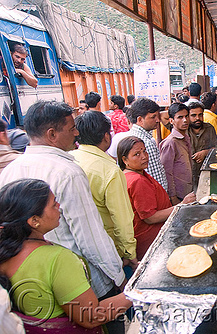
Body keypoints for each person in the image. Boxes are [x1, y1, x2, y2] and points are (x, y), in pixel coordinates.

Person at [0, 101, 126, 304]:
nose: (77, 133)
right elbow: (90, 236)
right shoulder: (67, 172)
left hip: (33, 283)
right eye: (72, 128)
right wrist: (118, 277)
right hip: (83, 282)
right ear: (52, 134)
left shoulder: (11, 170)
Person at [0, 179, 132, 332]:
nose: (59, 207)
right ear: (34, 220)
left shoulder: (6, 252)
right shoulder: (57, 259)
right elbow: (90, 317)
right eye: (53, 204)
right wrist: (134, 293)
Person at [71, 111, 138, 271]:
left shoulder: (71, 158)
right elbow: (122, 218)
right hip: (108, 247)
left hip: (78, 245)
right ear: (106, 136)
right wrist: (130, 254)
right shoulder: (109, 170)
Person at [118, 136, 195, 260]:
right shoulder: (137, 180)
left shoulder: (133, 174)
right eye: (137, 154)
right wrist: (182, 204)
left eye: (144, 151)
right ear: (125, 159)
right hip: (150, 239)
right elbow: (150, 217)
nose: (144, 156)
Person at [128, 98, 169, 192]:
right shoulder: (145, 143)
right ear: (140, 119)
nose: (158, 120)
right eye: (153, 117)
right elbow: (157, 178)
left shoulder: (131, 136)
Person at [159, 103, 193, 204]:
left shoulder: (186, 138)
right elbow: (166, 172)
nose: (185, 120)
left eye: (186, 116)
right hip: (178, 195)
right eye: (180, 117)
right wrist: (173, 197)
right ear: (171, 121)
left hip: (187, 190)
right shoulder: (170, 143)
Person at [188, 102, 217, 187]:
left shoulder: (209, 128)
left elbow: (216, 149)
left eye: (200, 115)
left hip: (206, 174)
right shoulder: (183, 131)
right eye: (193, 115)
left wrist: (205, 152)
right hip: (189, 176)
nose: (197, 118)